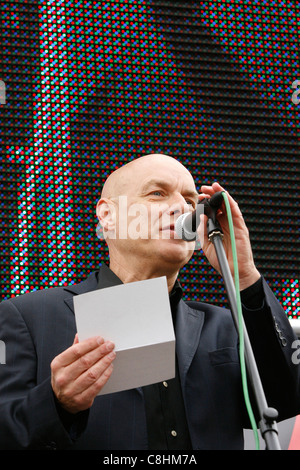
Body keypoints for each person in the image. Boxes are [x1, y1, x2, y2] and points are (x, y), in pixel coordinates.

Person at [0, 153, 299, 450]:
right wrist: (57, 403)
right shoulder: (27, 318)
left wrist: (244, 274)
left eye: (190, 201)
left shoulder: (224, 325)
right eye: (157, 193)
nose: (182, 208)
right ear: (107, 215)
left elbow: (284, 399)